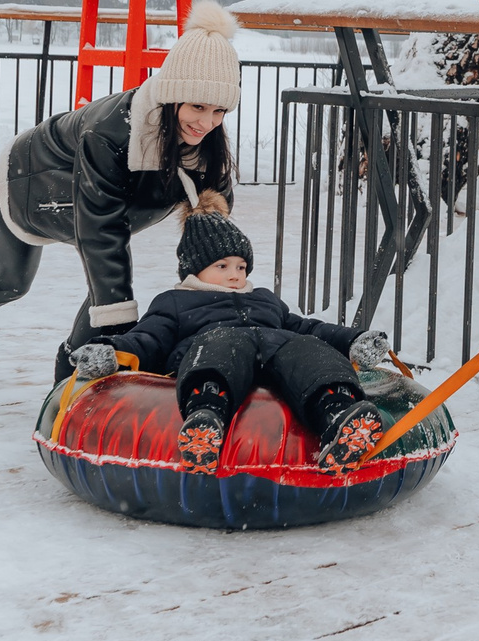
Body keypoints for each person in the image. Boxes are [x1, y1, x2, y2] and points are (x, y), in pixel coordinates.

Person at [0, 0, 242, 389]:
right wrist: (123, 332)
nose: (207, 122)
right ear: (171, 94)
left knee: (110, 274)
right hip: (34, 182)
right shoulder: (110, 132)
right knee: (12, 281)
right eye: (197, 106)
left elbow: (216, 230)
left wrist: (224, 296)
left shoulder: (203, 138)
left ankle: (73, 363)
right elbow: (101, 233)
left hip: (114, 205)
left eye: (219, 112)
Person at [73, 194, 396, 474]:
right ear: (193, 269)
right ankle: (206, 418)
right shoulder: (176, 301)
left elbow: (308, 326)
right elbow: (149, 338)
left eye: (241, 267)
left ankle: (338, 414)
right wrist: (111, 351)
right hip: (213, 351)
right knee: (223, 342)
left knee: (306, 345)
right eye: (222, 266)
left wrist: (353, 340)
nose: (235, 275)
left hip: (275, 352)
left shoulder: (265, 299)